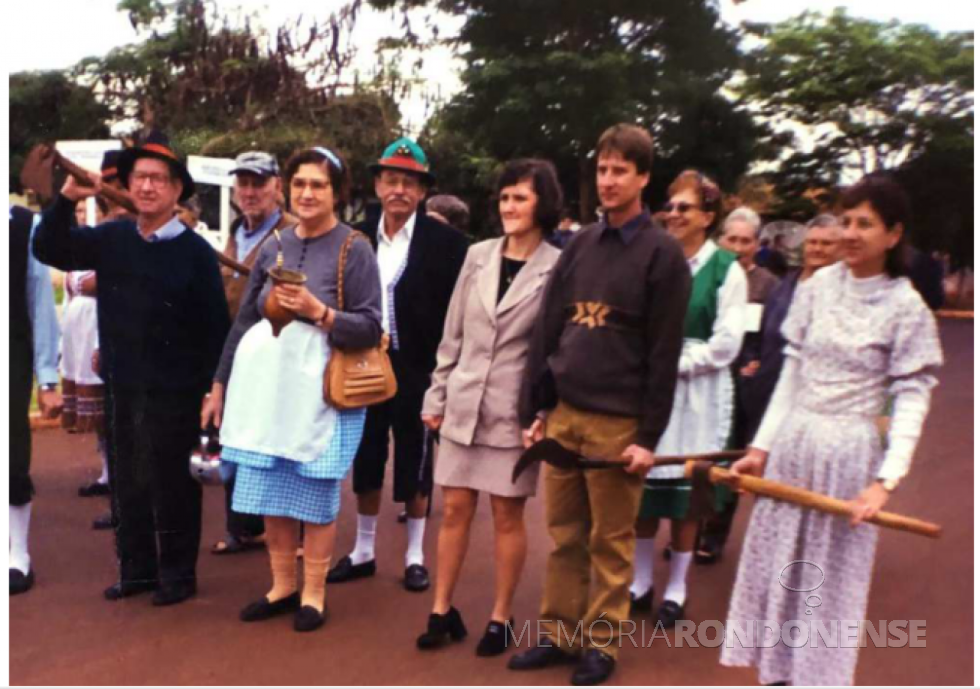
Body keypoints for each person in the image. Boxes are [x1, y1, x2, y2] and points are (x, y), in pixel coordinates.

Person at [721, 174, 943, 686]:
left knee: (823, 588)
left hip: (847, 457)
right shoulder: (817, 287)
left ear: (893, 234)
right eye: (846, 221)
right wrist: (760, 448)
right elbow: (792, 375)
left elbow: (912, 397)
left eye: (865, 223)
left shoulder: (904, 305)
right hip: (794, 448)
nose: (850, 233)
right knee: (780, 573)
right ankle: (775, 677)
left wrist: (884, 481)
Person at [509, 124, 690, 686]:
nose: (608, 181)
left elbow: (665, 355)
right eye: (602, 170)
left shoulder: (663, 256)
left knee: (609, 542)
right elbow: (549, 329)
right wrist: (535, 409)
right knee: (564, 534)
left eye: (620, 171)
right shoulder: (578, 245)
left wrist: (649, 438)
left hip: (619, 423)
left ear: (642, 178)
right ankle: (559, 635)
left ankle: (602, 645)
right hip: (564, 414)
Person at [33, 131, 231, 607]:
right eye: (139, 178)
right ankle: (138, 570)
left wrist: (212, 390)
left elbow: (215, 330)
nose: (146, 187)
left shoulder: (196, 253)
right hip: (122, 384)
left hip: (176, 391)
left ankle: (178, 574)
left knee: (173, 484)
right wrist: (64, 200)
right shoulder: (113, 239)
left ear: (176, 190)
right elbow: (50, 248)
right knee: (128, 480)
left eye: (158, 180)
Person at [202, 146, 382, 633]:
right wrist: (219, 383)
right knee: (273, 489)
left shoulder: (355, 247)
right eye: (300, 183)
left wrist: (316, 311)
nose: (307, 193)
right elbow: (244, 321)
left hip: (324, 392)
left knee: (316, 490)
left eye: (318, 185)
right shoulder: (276, 243)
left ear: (337, 193)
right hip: (271, 391)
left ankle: (315, 593)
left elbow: (370, 326)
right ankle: (282, 585)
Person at [415, 159, 563, 655]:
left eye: (520, 198)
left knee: (506, 515)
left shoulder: (556, 266)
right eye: (504, 198)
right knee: (454, 509)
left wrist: (542, 414)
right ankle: (441, 610)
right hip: (462, 402)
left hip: (512, 412)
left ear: (543, 203)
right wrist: (436, 395)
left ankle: (500, 617)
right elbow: (451, 334)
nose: (509, 207)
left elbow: (553, 350)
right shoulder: (477, 255)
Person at [328, 137, 468, 593]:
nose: (400, 190)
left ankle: (413, 555)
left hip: (418, 365)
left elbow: (458, 310)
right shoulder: (354, 235)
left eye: (410, 182)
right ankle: (364, 550)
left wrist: (446, 374)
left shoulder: (447, 244)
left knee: (416, 457)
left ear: (423, 190)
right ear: (377, 185)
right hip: (363, 361)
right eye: (391, 180)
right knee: (366, 454)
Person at [632, 171, 747, 626]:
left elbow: (727, 344)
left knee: (686, 494)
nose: (674, 214)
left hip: (698, 392)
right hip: (650, 391)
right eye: (671, 206)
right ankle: (640, 581)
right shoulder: (654, 259)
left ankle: (676, 587)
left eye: (685, 207)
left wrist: (669, 363)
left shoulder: (727, 269)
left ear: (708, 216)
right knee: (642, 485)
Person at [210, 150, 297, 557]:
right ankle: (242, 527)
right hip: (235, 348)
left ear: (277, 187)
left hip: (279, 352)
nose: (249, 192)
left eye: (258, 183)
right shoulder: (236, 231)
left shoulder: (292, 233)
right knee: (235, 434)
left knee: (280, 440)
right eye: (242, 183)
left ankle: (291, 532)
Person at [697, 206, 778, 564]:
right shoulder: (708, 276)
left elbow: (773, 335)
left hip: (746, 386)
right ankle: (690, 526)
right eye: (732, 239)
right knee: (700, 455)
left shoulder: (768, 285)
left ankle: (714, 534)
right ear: (721, 240)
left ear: (757, 245)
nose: (739, 246)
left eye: (746, 240)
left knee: (732, 460)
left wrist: (759, 360)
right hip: (707, 378)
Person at [737, 214, 843, 443]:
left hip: (813, 401)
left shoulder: (843, 294)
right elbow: (759, 331)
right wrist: (751, 360)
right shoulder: (782, 286)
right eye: (813, 242)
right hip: (767, 393)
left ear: (840, 248)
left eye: (826, 243)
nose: (818, 249)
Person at [10, 205, 62, 595]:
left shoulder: (24, 226)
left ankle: (17, 556)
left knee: (11, 453)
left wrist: (47, 379)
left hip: (9, 352)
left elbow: (40, 304)